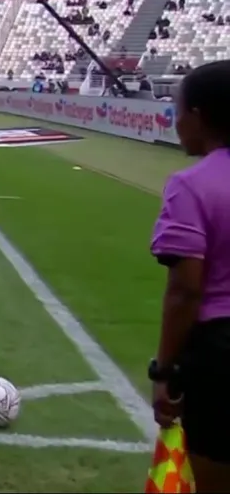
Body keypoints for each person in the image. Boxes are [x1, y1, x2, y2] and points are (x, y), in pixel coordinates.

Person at [149, 60, 230, 492]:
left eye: (176, 111)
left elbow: (185, 290)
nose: (174, 121)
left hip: (220, 353)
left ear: (197, 116)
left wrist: (164, 372)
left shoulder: (192, 185)